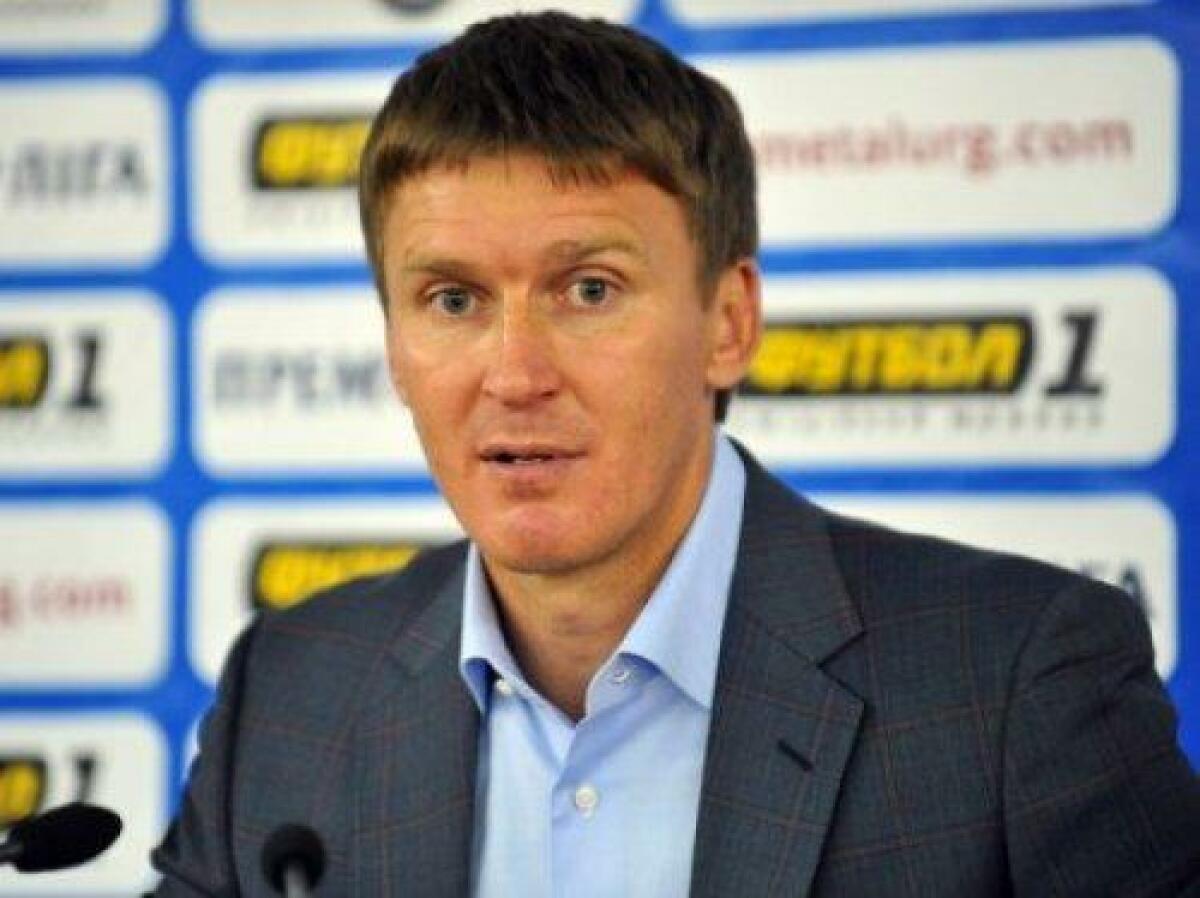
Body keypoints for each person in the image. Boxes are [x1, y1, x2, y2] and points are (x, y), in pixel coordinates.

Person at [151, 12, 1200, 897]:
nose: (515, 373)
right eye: (454, 299)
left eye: (588, 289)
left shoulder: (1016, 684)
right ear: (393, 342)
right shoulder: (290, 698)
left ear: (728, 323)